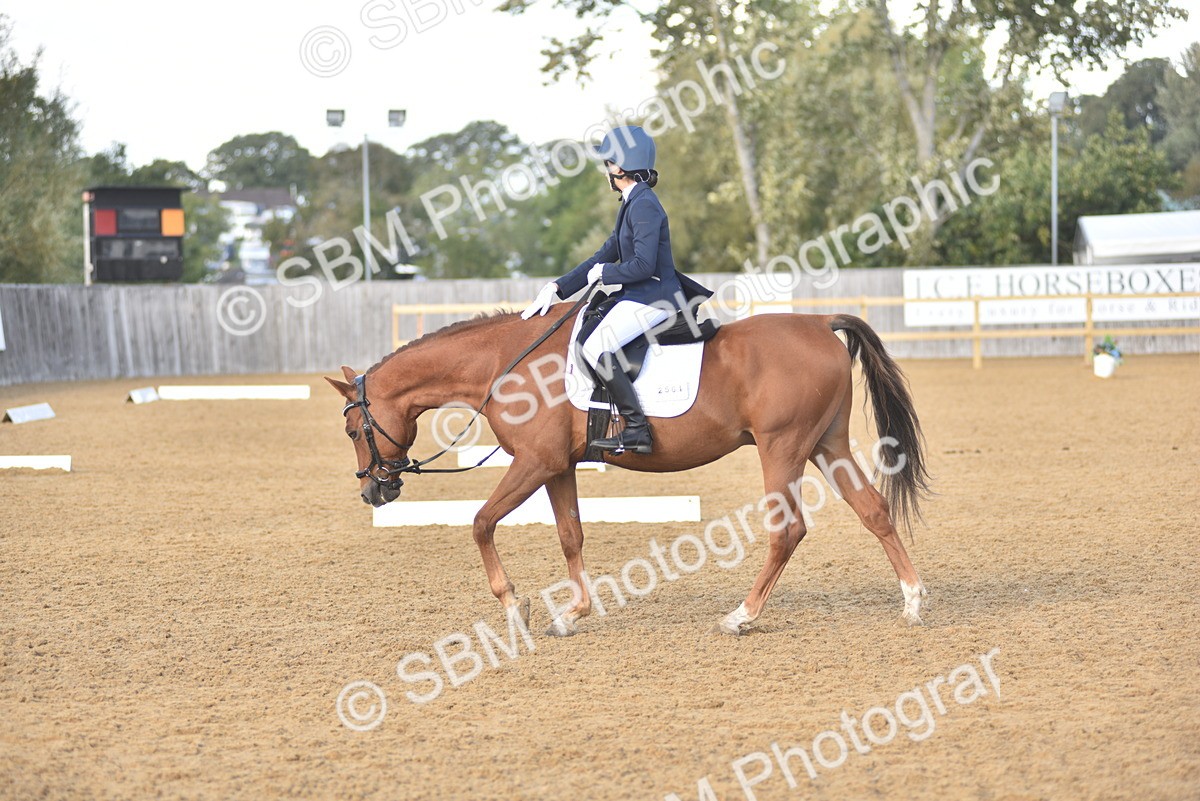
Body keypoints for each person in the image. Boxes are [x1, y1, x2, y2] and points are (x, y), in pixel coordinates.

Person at [521, 125, 712, 454]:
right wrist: (557, 288)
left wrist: (606, 272)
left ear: (619, 167)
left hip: (656, 298)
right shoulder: (631, 202)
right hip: (640, 296)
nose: (606, 170)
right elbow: (603, 254)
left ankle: (636, 428)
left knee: (596, 347)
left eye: (608, 163)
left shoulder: (644, 205)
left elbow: (643, 266)